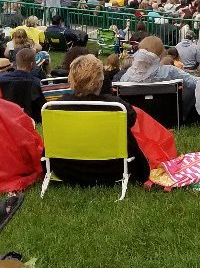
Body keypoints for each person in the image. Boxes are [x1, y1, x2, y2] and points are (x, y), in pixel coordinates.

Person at [48, 54, 150, 185]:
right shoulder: (116, 106)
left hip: (66, 169)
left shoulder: (56, 107)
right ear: (100, 81)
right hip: (112, 169)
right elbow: (132, 121)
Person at [118, 35, 197, 121]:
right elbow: (196, 84)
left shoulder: (126, 77)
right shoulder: (170, 71)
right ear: (160, 53)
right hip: (168, 119)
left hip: (136, 120)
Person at [0, 48, 46, 122]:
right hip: (31, 117)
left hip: (5, 114)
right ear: (32, 64)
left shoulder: (2, 78)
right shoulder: (37, 83)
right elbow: (41, 106)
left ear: (16, 63)